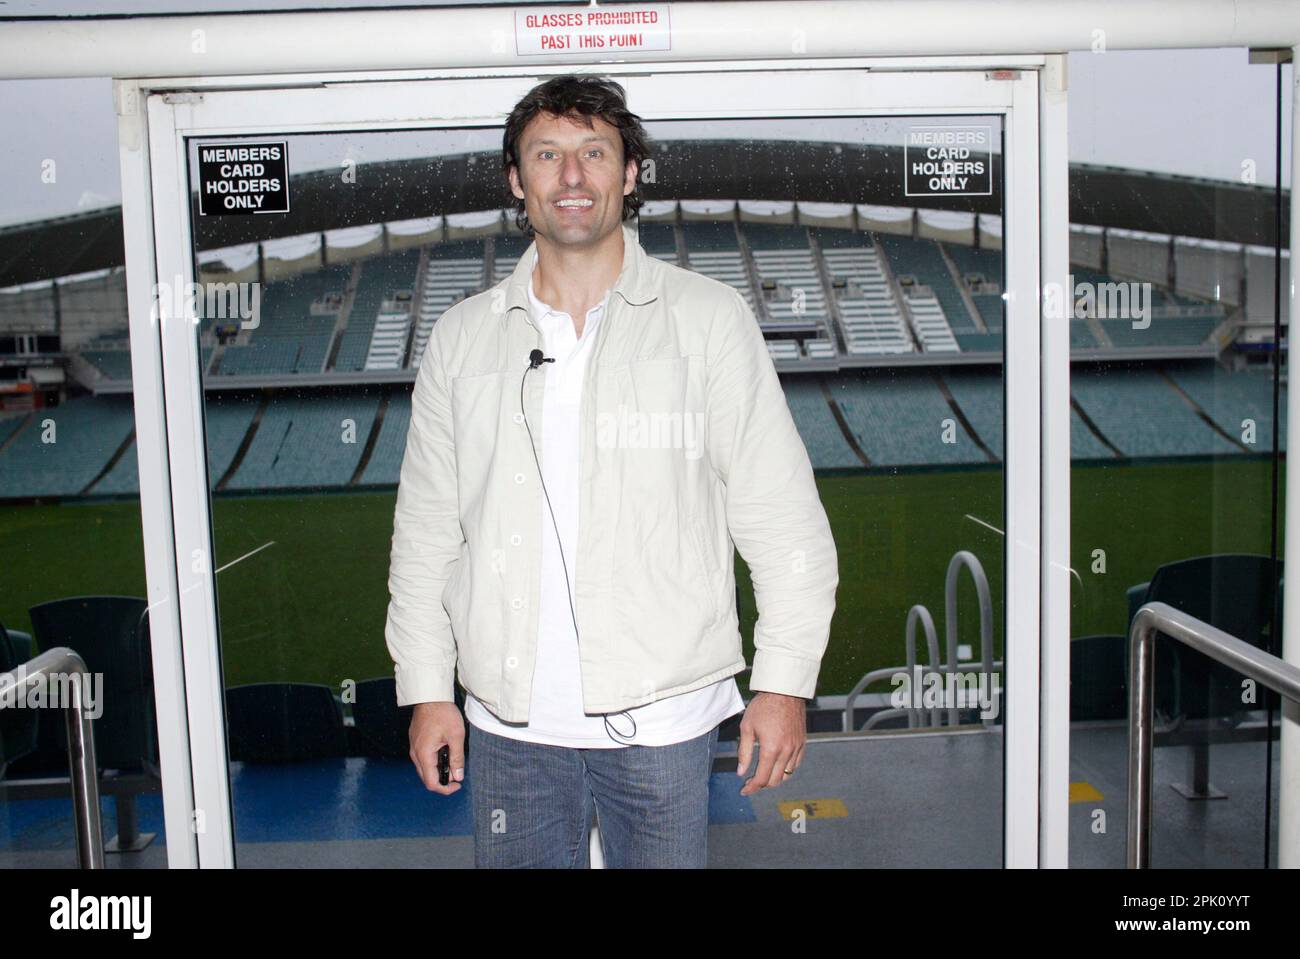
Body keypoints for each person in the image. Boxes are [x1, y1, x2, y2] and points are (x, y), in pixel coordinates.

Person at [384, 74, 838, 868]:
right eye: (547, 155)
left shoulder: (709, 320)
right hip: (508, 727)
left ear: (629, 175)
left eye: (594, 152)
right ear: (515, 181)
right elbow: (426, 534)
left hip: (664, 722)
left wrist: (785, 681)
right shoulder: (461, 340)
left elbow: (781, 515)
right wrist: (428, 689)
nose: (571, 175)